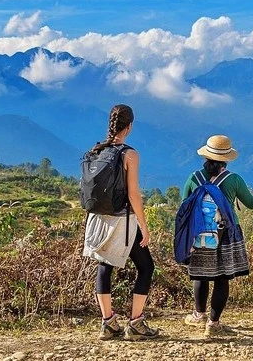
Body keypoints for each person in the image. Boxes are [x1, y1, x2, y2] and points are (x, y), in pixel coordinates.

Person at [181, 134, 253, 337]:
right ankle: (213, 324)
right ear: (226, 158)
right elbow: (251, 203)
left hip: (199, 235)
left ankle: (198, 315)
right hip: (226, 234)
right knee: (222, 278)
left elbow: (184, 206)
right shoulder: (233, 180)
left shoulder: (193, 178)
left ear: (206, 157)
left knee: (201, 275)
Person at [82, 104, 159, 341]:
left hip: (97, 218)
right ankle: (136, 323)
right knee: (146, 267)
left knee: (104, 266)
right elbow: (134, 194)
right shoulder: (129, 154)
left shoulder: (95, 150)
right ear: (130, 126)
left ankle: (108, 323)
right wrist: (144, 227)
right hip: (122, 221)